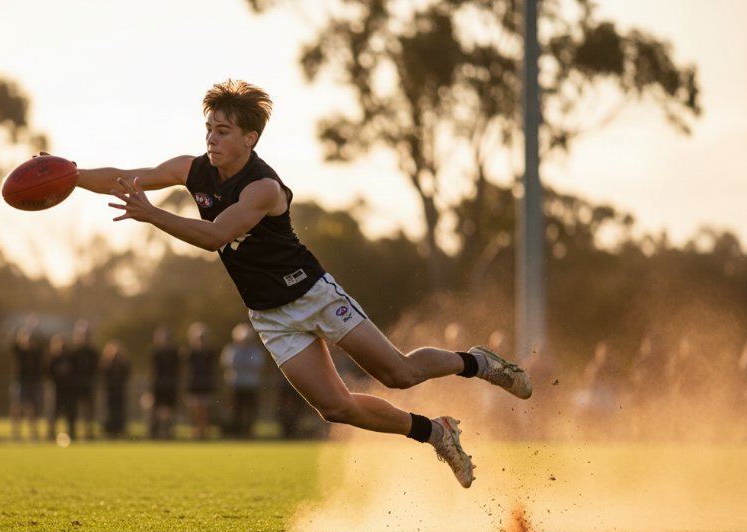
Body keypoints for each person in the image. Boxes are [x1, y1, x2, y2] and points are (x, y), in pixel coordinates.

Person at [72, 79, 532, 487]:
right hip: (270, 315)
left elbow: (214, 237)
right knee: (336, 409)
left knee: (399, 373)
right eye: (209, 128)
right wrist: (70, 176)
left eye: (223, 130)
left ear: (250, 138)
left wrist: (151, 213)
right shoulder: (192, 170)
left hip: (312, 295)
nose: (211, 137)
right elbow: (124, 178)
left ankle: (477, 362)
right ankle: (436, 432)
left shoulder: (263, 188)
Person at [220, 323, 267, 439]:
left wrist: (242, 363)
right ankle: (236, 432)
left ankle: (249, 432)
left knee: (251, 410)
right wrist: (246, 363)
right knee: (235, 410)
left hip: (251, 385)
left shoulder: (256, 350)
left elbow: (258, 364)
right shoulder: (231, 349)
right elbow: (228, 363)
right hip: (235, 385)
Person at [67, 320, 100, 440]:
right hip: (75, 387)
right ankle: (72, 433)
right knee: (73, 411)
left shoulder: (93, 352)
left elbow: (97, 368)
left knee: (89, 411)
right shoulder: (72, 352)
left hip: (88, 385)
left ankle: (89, 433)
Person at [184, 322, 217, 440]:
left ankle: (205, 431)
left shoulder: (210, 352)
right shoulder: (190, 352)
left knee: (205, 410)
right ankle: (196, 430)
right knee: (195, 409)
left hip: (206, 384)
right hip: (194, 385)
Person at [10, 328, 44, 441]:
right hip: (20, 382)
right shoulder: (19, 352)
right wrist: (25, 329)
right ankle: (15, 433)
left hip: (33, 382)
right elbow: (13, 344)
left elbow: (42, 343)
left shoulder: (37, 353)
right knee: (17, 408)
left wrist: (34, 328)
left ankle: (33, 433)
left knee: (32, 408)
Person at [149, 326, 180, 439]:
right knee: (157, 410)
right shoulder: (155, 354)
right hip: (158, 386)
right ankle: (155, 432)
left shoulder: (175, 354)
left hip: (170, 386)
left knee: (169, 410)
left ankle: (168, 431)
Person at [100, 341, 131, 439]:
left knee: (119, 411)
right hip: (109, 392)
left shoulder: (122, 364)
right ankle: (109, 431)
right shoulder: (106, 364)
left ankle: (119, 430)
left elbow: (127, 373)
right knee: (109, 411)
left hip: (119, 391)